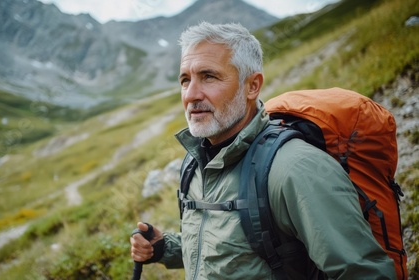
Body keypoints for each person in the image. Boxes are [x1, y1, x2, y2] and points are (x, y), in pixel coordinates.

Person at [130, 22, 395, 279]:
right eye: (185, 80)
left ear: (252, 86)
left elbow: (365, 272)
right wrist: (166, 248)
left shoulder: (296, 168)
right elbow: (229, 252)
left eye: (208, 76)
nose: (191, 95)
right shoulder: (195, 163)